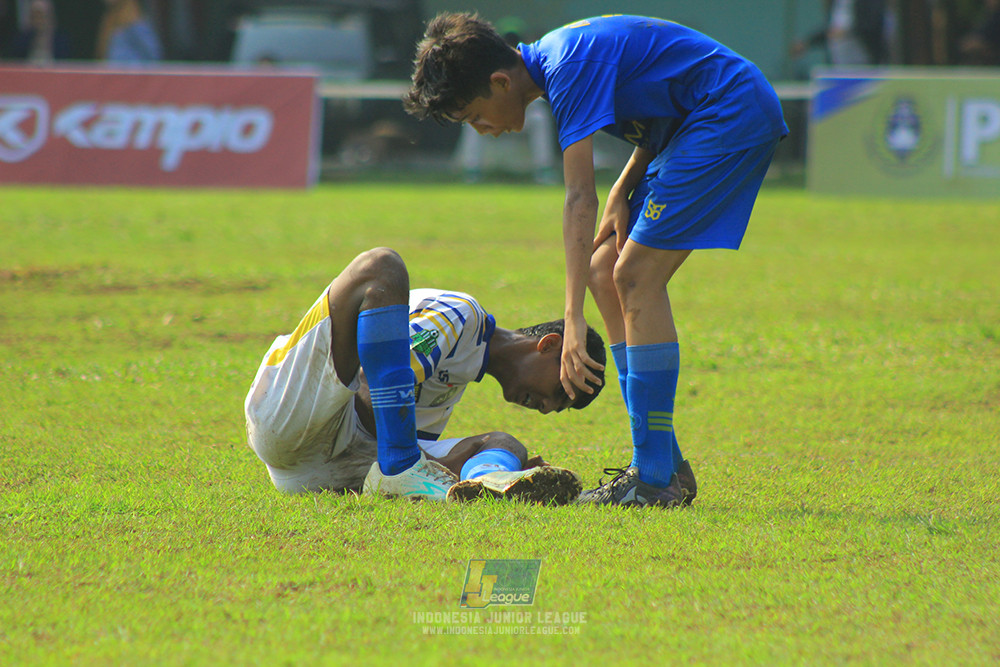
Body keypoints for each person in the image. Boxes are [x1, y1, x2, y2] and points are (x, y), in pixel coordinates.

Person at [404, 13, 788, 507]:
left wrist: (572, 319)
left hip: (727, 113)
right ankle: (664, 463)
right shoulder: (558, 61)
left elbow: (578, 198)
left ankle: (652, 480)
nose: (482, 130)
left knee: (634, 275)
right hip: (697, 121)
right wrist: (624, 188)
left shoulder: (567, 64)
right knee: (604, 269)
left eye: (475, 116)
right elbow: (660, 101)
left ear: (500, 82)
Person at [245, 247, 606, 504]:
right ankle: (401, 465)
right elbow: (372, 380)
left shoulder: (457, 379)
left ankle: (491, 481)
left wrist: (513, 472)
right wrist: (405, 463)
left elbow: (387, 426)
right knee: (381, 265)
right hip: (290, 413)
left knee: (504, 444)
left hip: (312, 477)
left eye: (558, 408)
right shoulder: (460, 314)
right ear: (548, 345)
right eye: (559, 391)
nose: (546, 408)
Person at [792, 0, 889, 66]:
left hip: (863, 61)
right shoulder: (836, 4)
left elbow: (871, 24)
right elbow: (830, 30)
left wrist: (847, 32)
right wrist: (807, 43)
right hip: (839, 62)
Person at [95, 0, 162, 63]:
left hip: (132, 73)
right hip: (112, 73)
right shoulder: (109, 20)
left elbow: (154, 59)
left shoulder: (137, 25)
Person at [4, 0, 71, 63]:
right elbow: (15, 61)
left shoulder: (61, 40)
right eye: (35, 16)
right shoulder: (22, 39)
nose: (39, 21)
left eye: (42, 16)